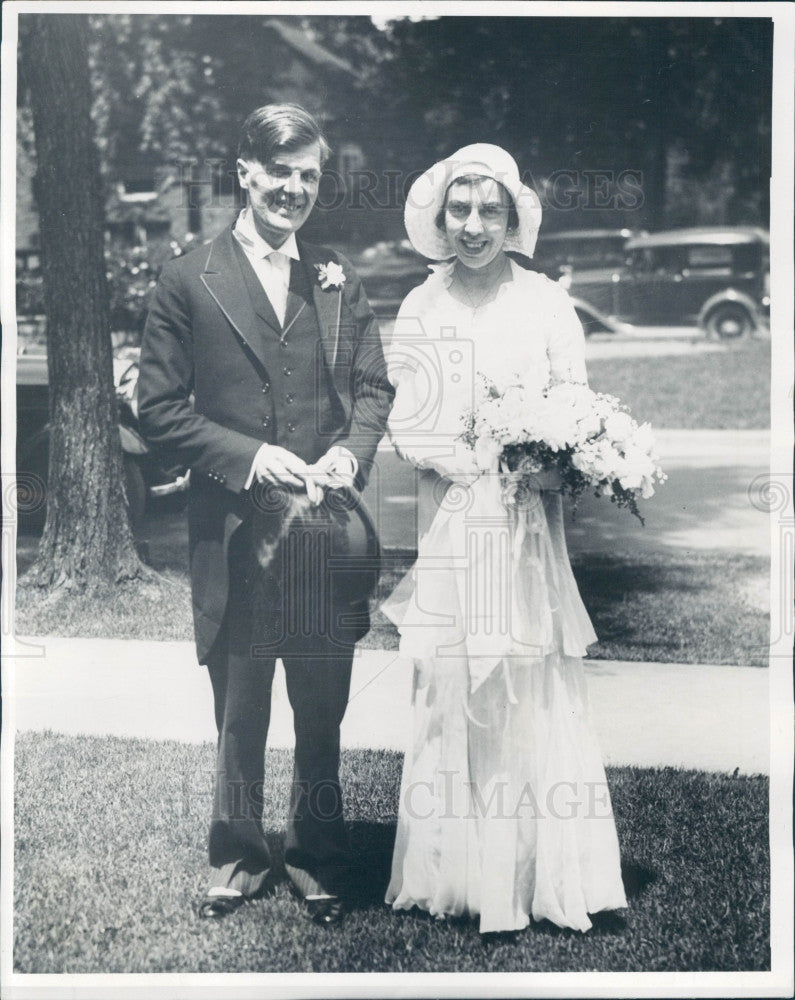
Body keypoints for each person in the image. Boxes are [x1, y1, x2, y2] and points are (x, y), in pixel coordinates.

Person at [138, 104, 394, 926]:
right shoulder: (188, 276)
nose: (293, 188)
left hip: (322, 532)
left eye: (308, 175)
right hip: (237, 531)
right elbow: (158, 408)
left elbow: (370, 388)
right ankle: (240, 854)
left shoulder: (337, 276)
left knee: (322, 705)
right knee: (240, 702)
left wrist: (349, 453)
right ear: (244, 170)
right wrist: (250, 458)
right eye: (278, 171)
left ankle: (317, 856)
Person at [383, 144, 628, 934]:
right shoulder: (423, 306)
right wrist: (472, 460)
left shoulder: (546, 303)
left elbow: (575, 411)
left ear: (514, 217)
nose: (473, 225)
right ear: (439, 217)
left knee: (527, 675)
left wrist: (537, 456)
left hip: (525, 530)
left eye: (490, 209)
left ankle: (538, 876)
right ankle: (455, 874)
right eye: (459, 209)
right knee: (457, 677)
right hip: (453, 517)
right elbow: (408, 419)